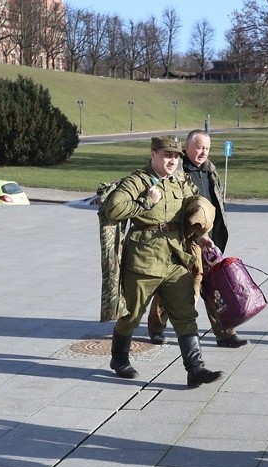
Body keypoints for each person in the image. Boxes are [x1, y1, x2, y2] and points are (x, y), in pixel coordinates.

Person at [101, 136, 225, 388]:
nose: (172, 160)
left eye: (176, 156)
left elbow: (191, 211)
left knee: (186, 314)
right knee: (132, 315)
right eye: (167, 155)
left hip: (175, 258)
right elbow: (112, 209)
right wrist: (146, 201)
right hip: (143, 259)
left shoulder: (180, 181)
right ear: (154, 154)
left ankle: (195, 368)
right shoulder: (138, 180)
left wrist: (201, 237)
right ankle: (119, 358)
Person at [147, 129, 248, 348]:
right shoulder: (176, 169)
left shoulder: (210, 170)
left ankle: (225, 333)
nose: (203, 152)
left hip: (210, 239)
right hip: (184, 240)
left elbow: (217, 202)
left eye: (207, 148)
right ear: (188, 146)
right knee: (176, 286)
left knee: (216, 287)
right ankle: (156, 327)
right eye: (200, 147)